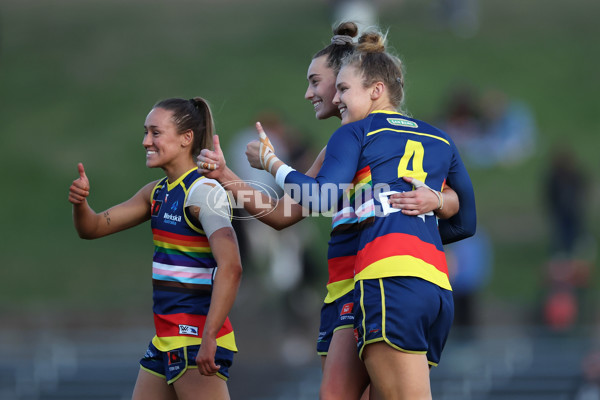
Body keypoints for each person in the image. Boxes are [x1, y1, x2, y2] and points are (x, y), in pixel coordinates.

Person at [198, 22, 462, 400]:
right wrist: (224, 175)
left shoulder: (376, 138)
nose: (309, 93)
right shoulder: (337, 148)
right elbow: (282, 214)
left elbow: (452, 199)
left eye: (316, 81)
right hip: (344, 290)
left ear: (346, 79)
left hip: (381, 283)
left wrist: (273, 163)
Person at [68, 97, 243, 400]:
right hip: (165, 339)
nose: (145, 141)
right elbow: (92, 228)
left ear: (186, 138)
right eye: (145, 132)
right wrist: (80, 203)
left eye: (155, 133)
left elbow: (232, 266)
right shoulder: (156, 192)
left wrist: (209, 337)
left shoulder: (204, 192)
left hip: (193, 338)